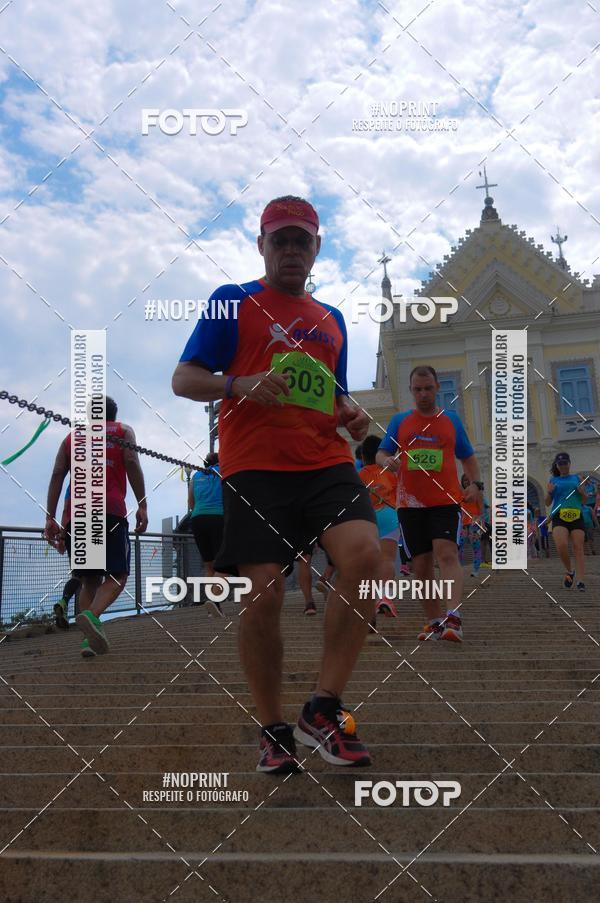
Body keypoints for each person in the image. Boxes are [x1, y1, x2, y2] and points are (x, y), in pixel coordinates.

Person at [172, 195, 378, 774]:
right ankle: (273, 729)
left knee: (365, 557)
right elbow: (184, 379)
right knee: (262, 593)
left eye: (301, 240)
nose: (291, 249)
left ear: (317, 248)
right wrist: (239, 384)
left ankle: (323, 707)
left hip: (324, 463)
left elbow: (334, 396)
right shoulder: (231, 303)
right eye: (280, 239)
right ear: (261, 245)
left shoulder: (332, 320)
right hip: (255, 467)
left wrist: (351, 415)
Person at [376, 365, 483, 643]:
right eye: (418, 389)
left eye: (428, 388)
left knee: (446, 553)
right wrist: (386, 460)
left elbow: (468, 457)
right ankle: (435, 622)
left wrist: (475, 484)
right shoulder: (400, 421)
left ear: (437, 388)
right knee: (421, 566)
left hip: (445, 500)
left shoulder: (451, 421)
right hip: (409, 504)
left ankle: (453, 617)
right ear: (411, 390)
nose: (423, 394)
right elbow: (382, 452)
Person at [44, 396, 148, 656]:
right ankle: (92, 616)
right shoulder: (123, 431)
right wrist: (143, 504)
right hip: (109, 511)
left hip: (77, 516)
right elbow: (132, 463)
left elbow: (58, 473)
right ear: (114, 414)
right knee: (117, 576)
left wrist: (50, 516)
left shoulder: (71, 438)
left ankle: (88, 641)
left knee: (90, 580)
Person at [358, 434, 399, 622]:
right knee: (387, 559)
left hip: (368, 518)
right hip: (390, 515)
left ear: (364, 456)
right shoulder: (390, 472)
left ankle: (370, 601)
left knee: (369, 562)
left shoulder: (361, 474)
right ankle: (386, 597)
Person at [189, 452, 226, 617]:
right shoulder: (224, 472)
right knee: (224, 564)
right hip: (218, 518)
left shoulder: (196, 476)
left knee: (209, 565)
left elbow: (191, 503)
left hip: (198, 519)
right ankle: (215, 602)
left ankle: (213, 608)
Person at [545, 452, 587, 591]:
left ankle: (581, 581)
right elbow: (547, 502)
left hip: (576, 515)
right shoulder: (553, 480)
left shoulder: (577, 478)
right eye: (560, 464)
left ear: (569, 464)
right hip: (559, 515)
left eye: (565, 463)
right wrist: (550, 492)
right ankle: (570, 571)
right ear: (557, 466)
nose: (563, 466)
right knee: (561, 545)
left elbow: (585, 500)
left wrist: (582, 491)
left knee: (578, 548)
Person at [458, 474, 483, 576]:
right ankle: (458, 569)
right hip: (463, 524)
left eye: (468, 480)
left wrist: (482, 524)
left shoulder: (478, 494)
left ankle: (476, 570)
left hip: (475, 523)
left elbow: (481, 510)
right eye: (464, 480)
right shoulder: (461, 494)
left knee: (476, 546)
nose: (466, 482)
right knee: (459, 546)